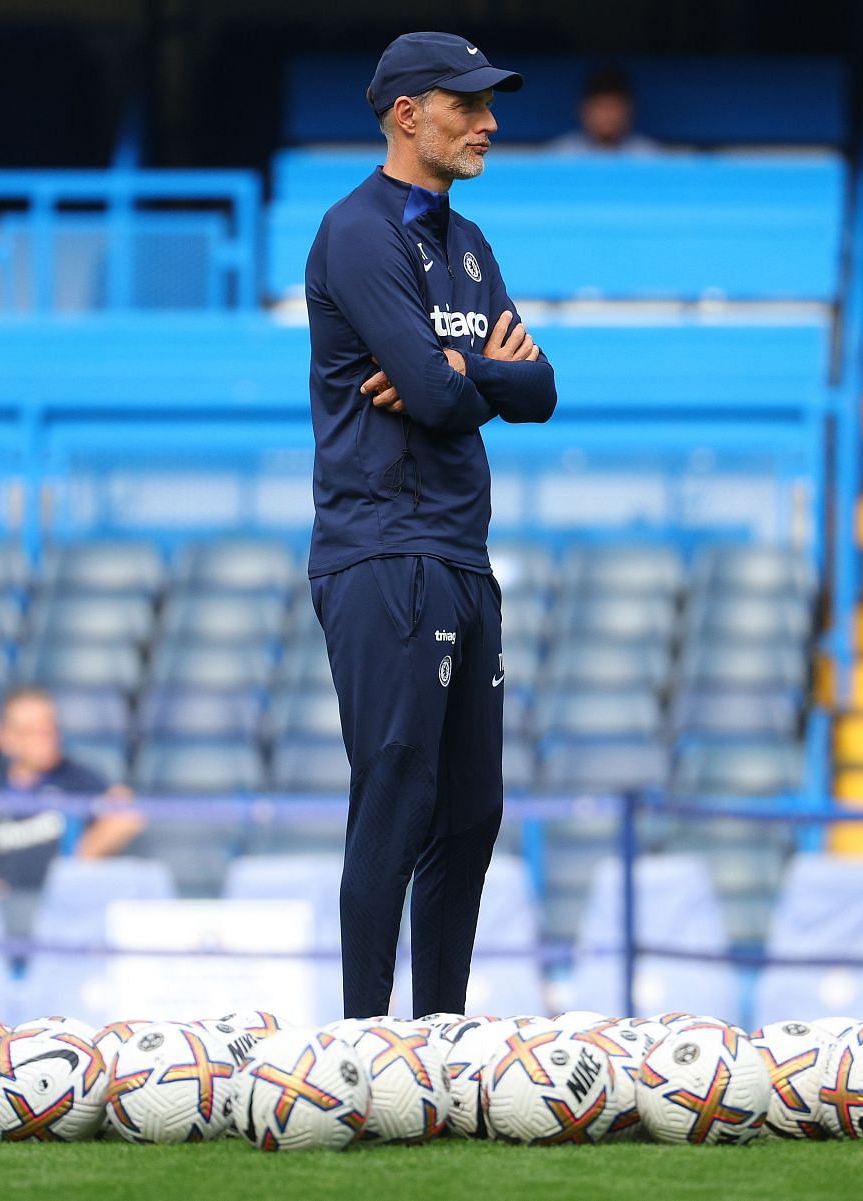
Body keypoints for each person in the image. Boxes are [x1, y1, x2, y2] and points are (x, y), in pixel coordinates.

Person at [304, 31, 557, 1018]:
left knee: (471, 816)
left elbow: (538, 387)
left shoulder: (469, 242)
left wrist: (464, 376)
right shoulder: (358, 231)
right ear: (410, 113)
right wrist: (462, 378)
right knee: (398, 796)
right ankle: (366, 1046)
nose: (490, 122)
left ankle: (441, 1040)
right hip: (383, 548)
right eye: (468, 104)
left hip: (459, 549)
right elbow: (435, 395)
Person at [0, 688, 144, 913]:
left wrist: (80, 860)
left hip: (69, 910)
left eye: (49, 728)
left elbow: (126, 818)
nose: (46, 738)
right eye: (32, 731)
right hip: (8, 910)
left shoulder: (79, 780)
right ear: (4, 738)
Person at [548, 66, 660, 155]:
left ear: (629, 111)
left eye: (615, 107)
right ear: (584, 111)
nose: (608, 116)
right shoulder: (561, 156)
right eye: (601, 108)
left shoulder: (648, 157)